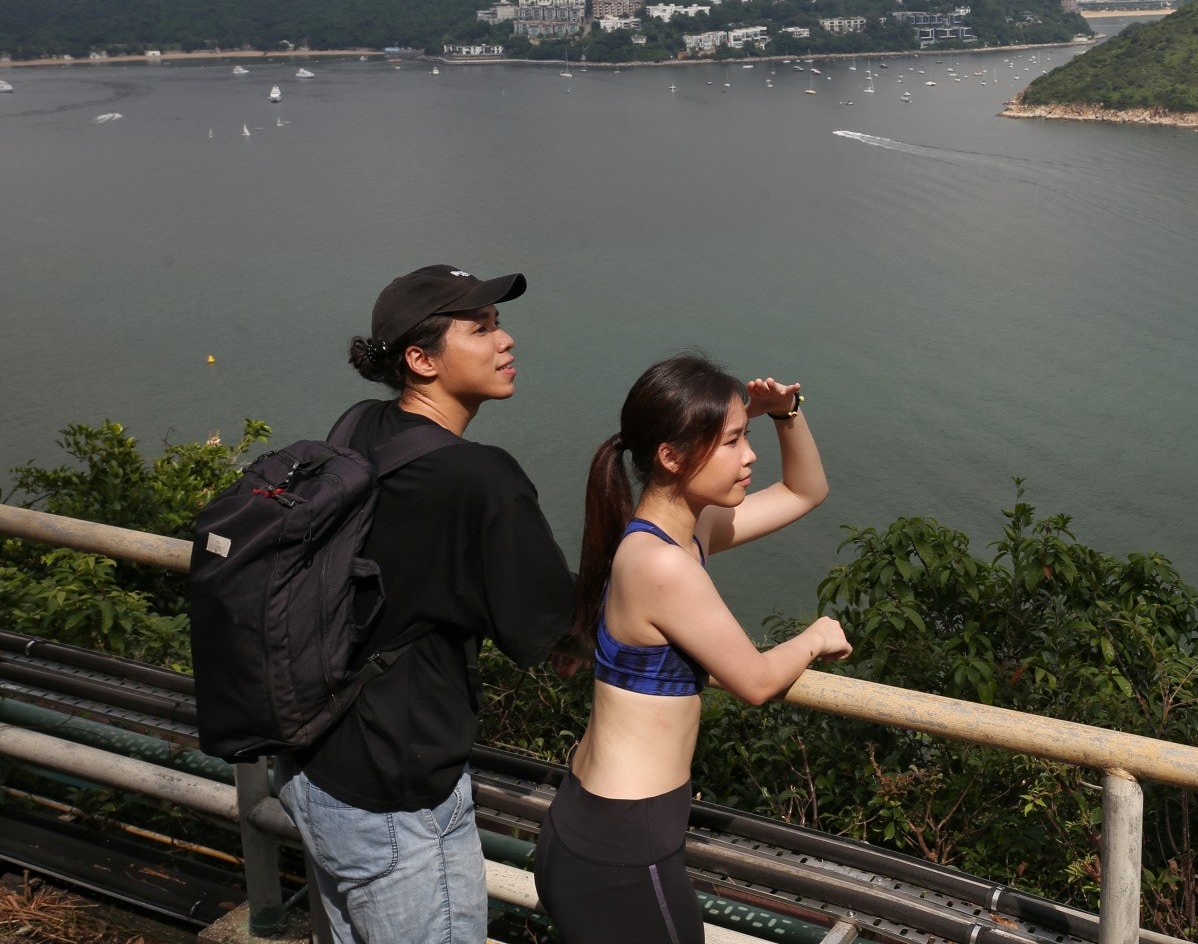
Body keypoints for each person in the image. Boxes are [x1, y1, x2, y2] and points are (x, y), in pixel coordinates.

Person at [275, 265, 577, 944]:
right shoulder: (481, 477)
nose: (505, 342)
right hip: (396, 799)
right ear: (420, 358)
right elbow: (546, 624)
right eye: (481, 328)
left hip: (315, 766)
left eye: (498, 324)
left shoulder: (357, 426)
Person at [535, 354, 852, 944]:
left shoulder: (674, 533)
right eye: (732, 441)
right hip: (625, 851)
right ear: (671, 457)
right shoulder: (663, 564)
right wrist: (816, 636)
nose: (748, 455)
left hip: (596, 827)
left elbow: (806, 491)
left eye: (746, 437)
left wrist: (788, 412)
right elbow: (754, 682)